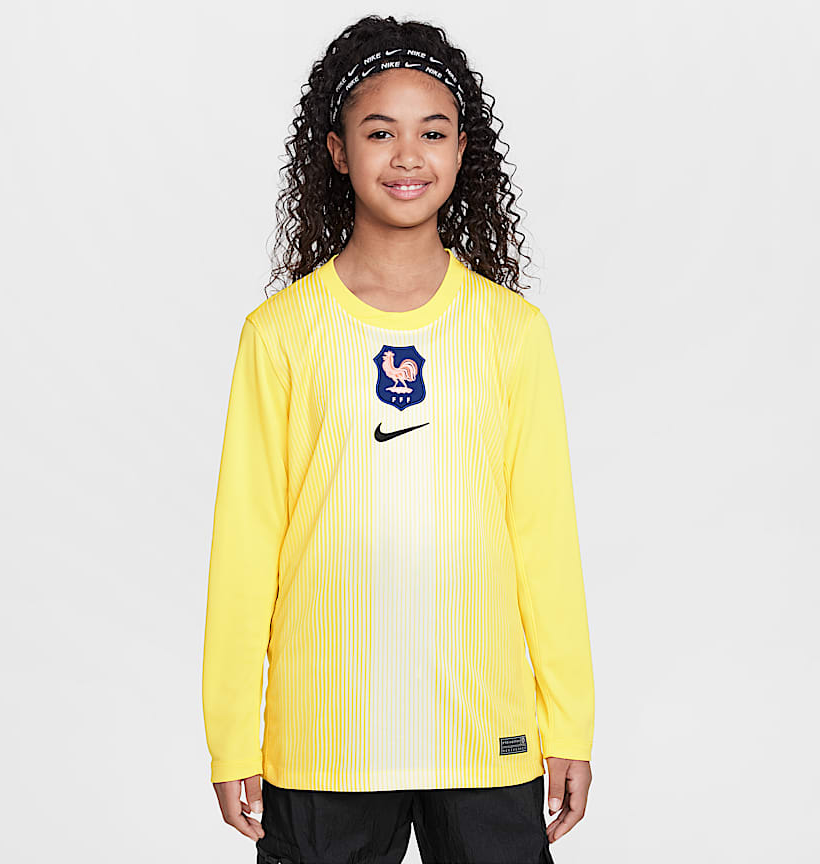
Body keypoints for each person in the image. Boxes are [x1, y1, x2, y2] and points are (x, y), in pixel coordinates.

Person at [202, 14, 595, 864]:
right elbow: (246, 545)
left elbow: (545, 543)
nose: (407, 156)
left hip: (484, 729)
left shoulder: (512, 332)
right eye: (380, 132)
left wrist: (569, 723)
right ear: (338, 152)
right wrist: (232, 733)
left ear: (462, 151)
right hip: (326, 737)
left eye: (433, 132)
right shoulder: (281, 334)